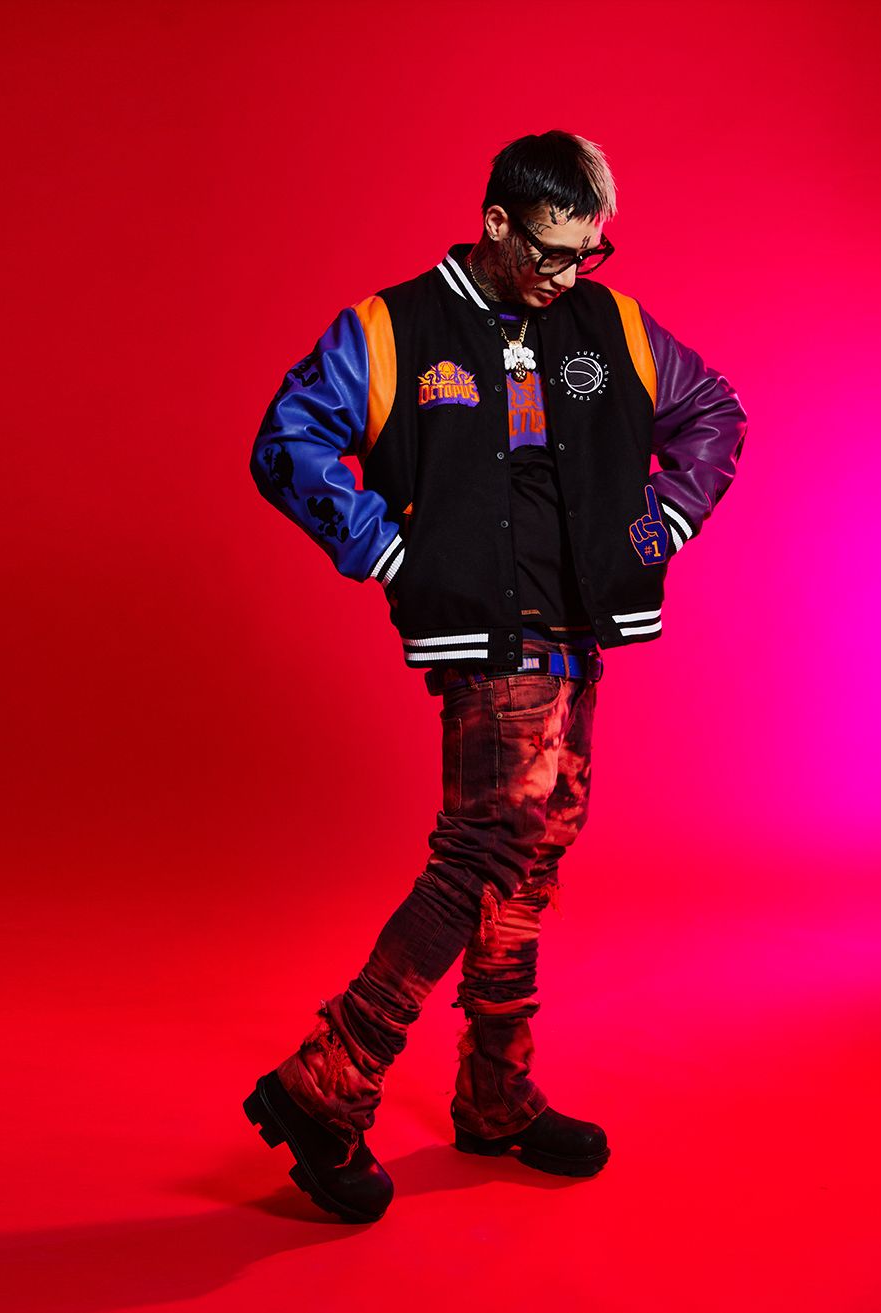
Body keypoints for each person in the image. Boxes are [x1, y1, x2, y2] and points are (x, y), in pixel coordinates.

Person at [244, 130, 747, 1223]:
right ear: (497, 224)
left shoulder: (610, 325)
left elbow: (716, 410)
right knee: (486, 845)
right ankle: (328, 1079)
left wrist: (656, 529)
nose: (569, 273)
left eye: (588, 253)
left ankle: (496, 1091)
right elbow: (289, 438)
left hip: (577, 627)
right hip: (486, 636)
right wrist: (392, 552)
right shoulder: (393, 329)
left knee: (533, 852)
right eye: (553, 251)